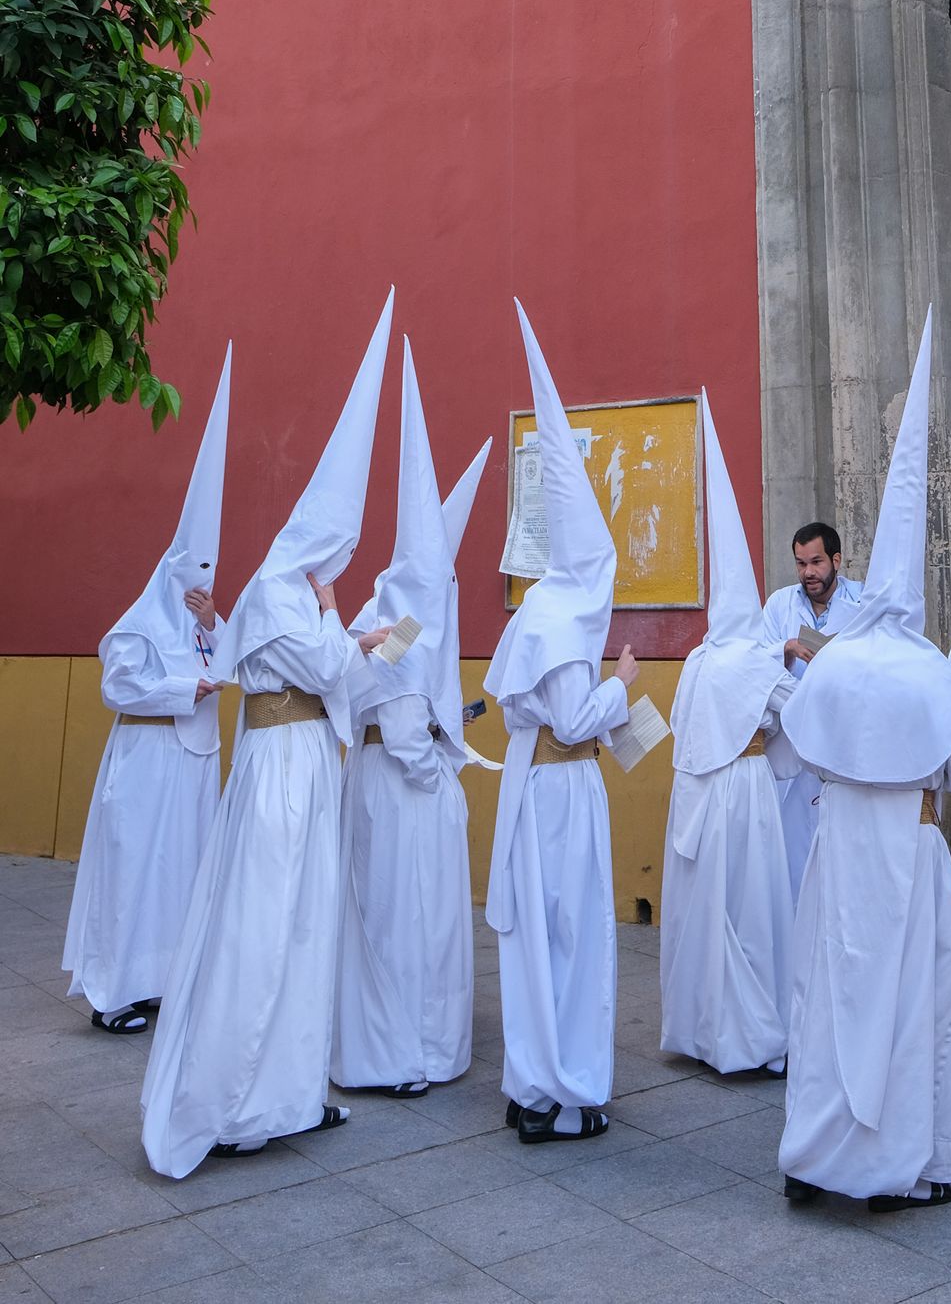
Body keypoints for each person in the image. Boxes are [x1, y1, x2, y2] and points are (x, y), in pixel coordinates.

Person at [140, 296, 397, 1178]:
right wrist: (340, 624)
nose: (341, 561)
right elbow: (321, 669)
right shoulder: (284, 587)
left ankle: (286, 1089)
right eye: (337, 546)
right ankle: (230, 1094)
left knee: (303, 924)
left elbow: (341, 675)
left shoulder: (292, 591)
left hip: (302, 762)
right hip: (281, 768)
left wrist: (357, 644)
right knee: (265, 920)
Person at [773, 311, 951, 1212]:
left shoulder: (836, 657)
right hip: (909, 844)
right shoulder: (932, 668)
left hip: (838, 843)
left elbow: (790, 736)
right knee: (912, 1002)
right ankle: (899, 1163)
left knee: (829, 994)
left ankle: (813, 1154)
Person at [486, 303, 639, 1144]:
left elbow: (514, 703)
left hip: (527, 780)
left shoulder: (533, 609)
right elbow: (577, 714)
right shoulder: (567, 621)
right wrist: (620, 686)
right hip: (565, 790)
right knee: (573, 940)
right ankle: (565, 1089)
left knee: (534, 941)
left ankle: (530, 1082)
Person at [332, 342, 490, 1097]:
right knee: (409, 918)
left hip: (372, 781)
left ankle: (389, 1042)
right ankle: (409, 1050)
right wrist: (441, 773)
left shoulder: (379, 608)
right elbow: (401, 721)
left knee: (382, 914)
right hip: (402, 792)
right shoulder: (403, 618)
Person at [64, 348, 233, 1036]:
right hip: (145, 761)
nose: (198, 582)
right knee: (134, 875)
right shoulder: (137, 624)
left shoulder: (198, 622)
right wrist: (180, 685)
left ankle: (161, 980)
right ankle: (112, 992)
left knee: (179, 877)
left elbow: (229, 657)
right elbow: (117, 685)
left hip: (191, 763)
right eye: (191, 573)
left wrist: (215, 622)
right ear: (168, 571)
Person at [660, 390, 793, 1077]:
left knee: (708, 913)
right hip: (746, 791)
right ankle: (755, 1033)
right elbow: (796, 718)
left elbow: (682, 728)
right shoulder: (761, 658)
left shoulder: (699, 658)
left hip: (700, 796)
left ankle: (704, 1028)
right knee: (751, 910)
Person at [759, 521, 863, 897]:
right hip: (793, 740)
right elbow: (755, 668)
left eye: (816, 562)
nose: (808, 573)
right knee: (795, 841)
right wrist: (783, 651)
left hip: (842, 737)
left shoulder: (864, 602)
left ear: (836, 559)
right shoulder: (779, 605)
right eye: (801, 564)